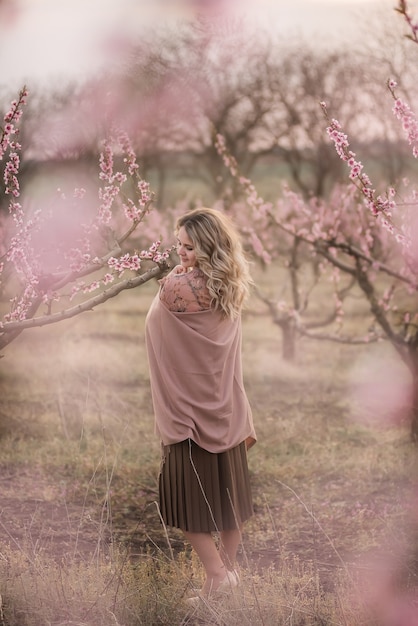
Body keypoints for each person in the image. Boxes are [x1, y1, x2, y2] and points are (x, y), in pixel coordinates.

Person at [145, 207, 256, 602]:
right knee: (230, 501)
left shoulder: (176, 288)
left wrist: (172, 278)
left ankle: (217, 573)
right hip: (225, 407)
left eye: (189, 248)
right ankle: (222, 580)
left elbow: (160, 324)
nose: (180, 254)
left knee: (183, 502)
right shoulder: (232, 285)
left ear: (209, 248)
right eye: (178, 245)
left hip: (188, 414)